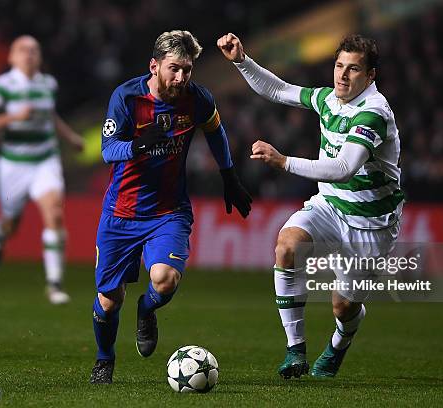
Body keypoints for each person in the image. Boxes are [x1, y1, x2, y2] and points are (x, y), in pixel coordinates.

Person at [218, 32, 404, 378]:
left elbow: (343, 168)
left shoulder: (374, 114)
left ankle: (338, 345)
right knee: (287, 246)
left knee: (344, 306)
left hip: (371, 222)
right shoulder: (329, 99)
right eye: (338, 66)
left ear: (370, 76)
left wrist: (283, 161)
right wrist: (242, 61)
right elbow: (279, 90)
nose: (342, 76)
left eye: (353, 70)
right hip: (329, 206)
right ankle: (295, 351)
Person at [89, 30, 252, 384]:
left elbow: (215, 130)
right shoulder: (127, 97)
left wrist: (229, 176)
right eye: (174, 69)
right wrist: (137, 146)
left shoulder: (196, 99)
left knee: (163, 280)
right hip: (122, 213)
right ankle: (105, 359)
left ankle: (146, 311)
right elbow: (107, 150)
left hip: (168, 211)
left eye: (188, 69)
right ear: (155, 65)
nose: (181, 77)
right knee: (108, 300)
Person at [0, 35, 84, 305]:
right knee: (11, 224)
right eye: (23, 50)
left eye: (34, 50)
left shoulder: (48, 83)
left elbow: (50, 116)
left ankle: (54, 284)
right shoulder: (3, 86)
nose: (29, 54)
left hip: (45, 160)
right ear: (11, 57)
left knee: (55, 213)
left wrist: (70, 138)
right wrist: (13, 117)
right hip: (13, 165)